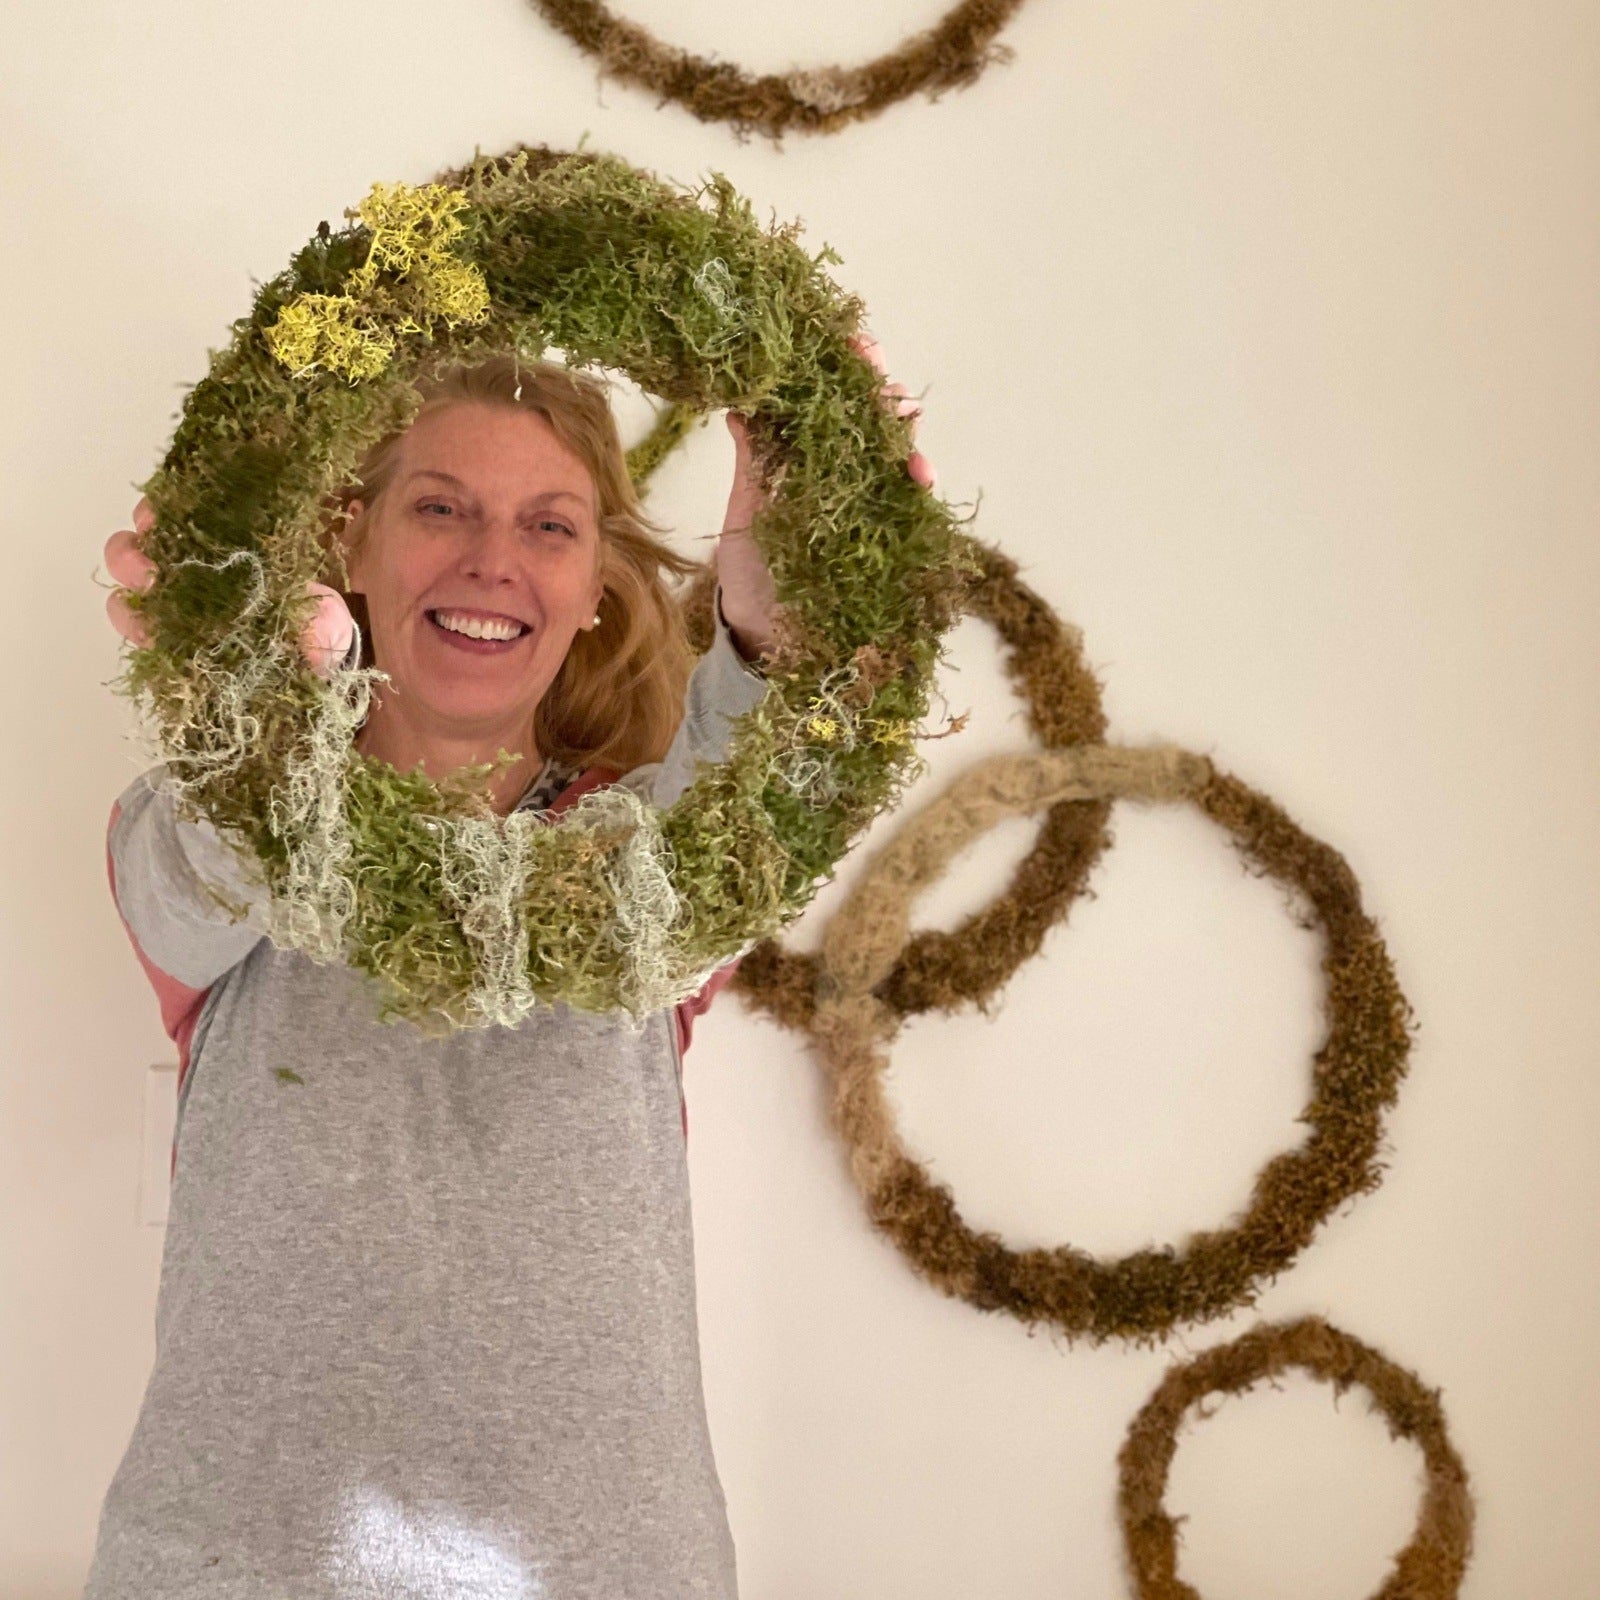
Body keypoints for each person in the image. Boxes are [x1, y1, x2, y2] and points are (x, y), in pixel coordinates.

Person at [90, 342, 933, 1599]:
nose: (493, 560)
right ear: (352, 541)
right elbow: (209, 850)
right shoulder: (218, 828)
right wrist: (278, 697)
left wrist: (769, 614)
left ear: (592, 587)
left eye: (549, 525)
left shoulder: (645, 864)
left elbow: (767, 784)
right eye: (440, 507)